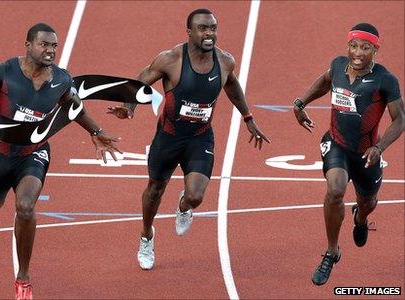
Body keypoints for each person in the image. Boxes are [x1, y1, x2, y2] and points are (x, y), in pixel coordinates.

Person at [0, 23, 121, 299]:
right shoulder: (3, 71)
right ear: (28, 45)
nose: (50, 50)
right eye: (44, 45)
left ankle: (23, 277)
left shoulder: (62, 79)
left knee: (25, 207)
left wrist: (96, 132)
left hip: (33, 154)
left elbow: (74, 107)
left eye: (54, 46)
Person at [108, 8, 270, 270]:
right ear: (190, 32)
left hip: (200, 138)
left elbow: (231, 85)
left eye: (213, 28)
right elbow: (141, 80)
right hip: (168, 138)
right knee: (155, 191)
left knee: (196, 196)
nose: (209, 34)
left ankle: (184, 205)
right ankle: (146, 235)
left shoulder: (225, 61)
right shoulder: (171, 59)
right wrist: (129, 106)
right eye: (203, 28)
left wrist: (248, 117)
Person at [293, 23, 405, 285]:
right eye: (353, 46)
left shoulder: (385, 80)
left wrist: (379, 148)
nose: (357, 52)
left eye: (365, 47)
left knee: (368, 202)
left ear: (375, 50)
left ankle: (361, 218)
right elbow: (324, 81)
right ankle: (332, 252)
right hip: (336, 144)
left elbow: (399, 119)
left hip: (367, 153)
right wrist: (301, 102)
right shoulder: (338, 65)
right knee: (335, 189)